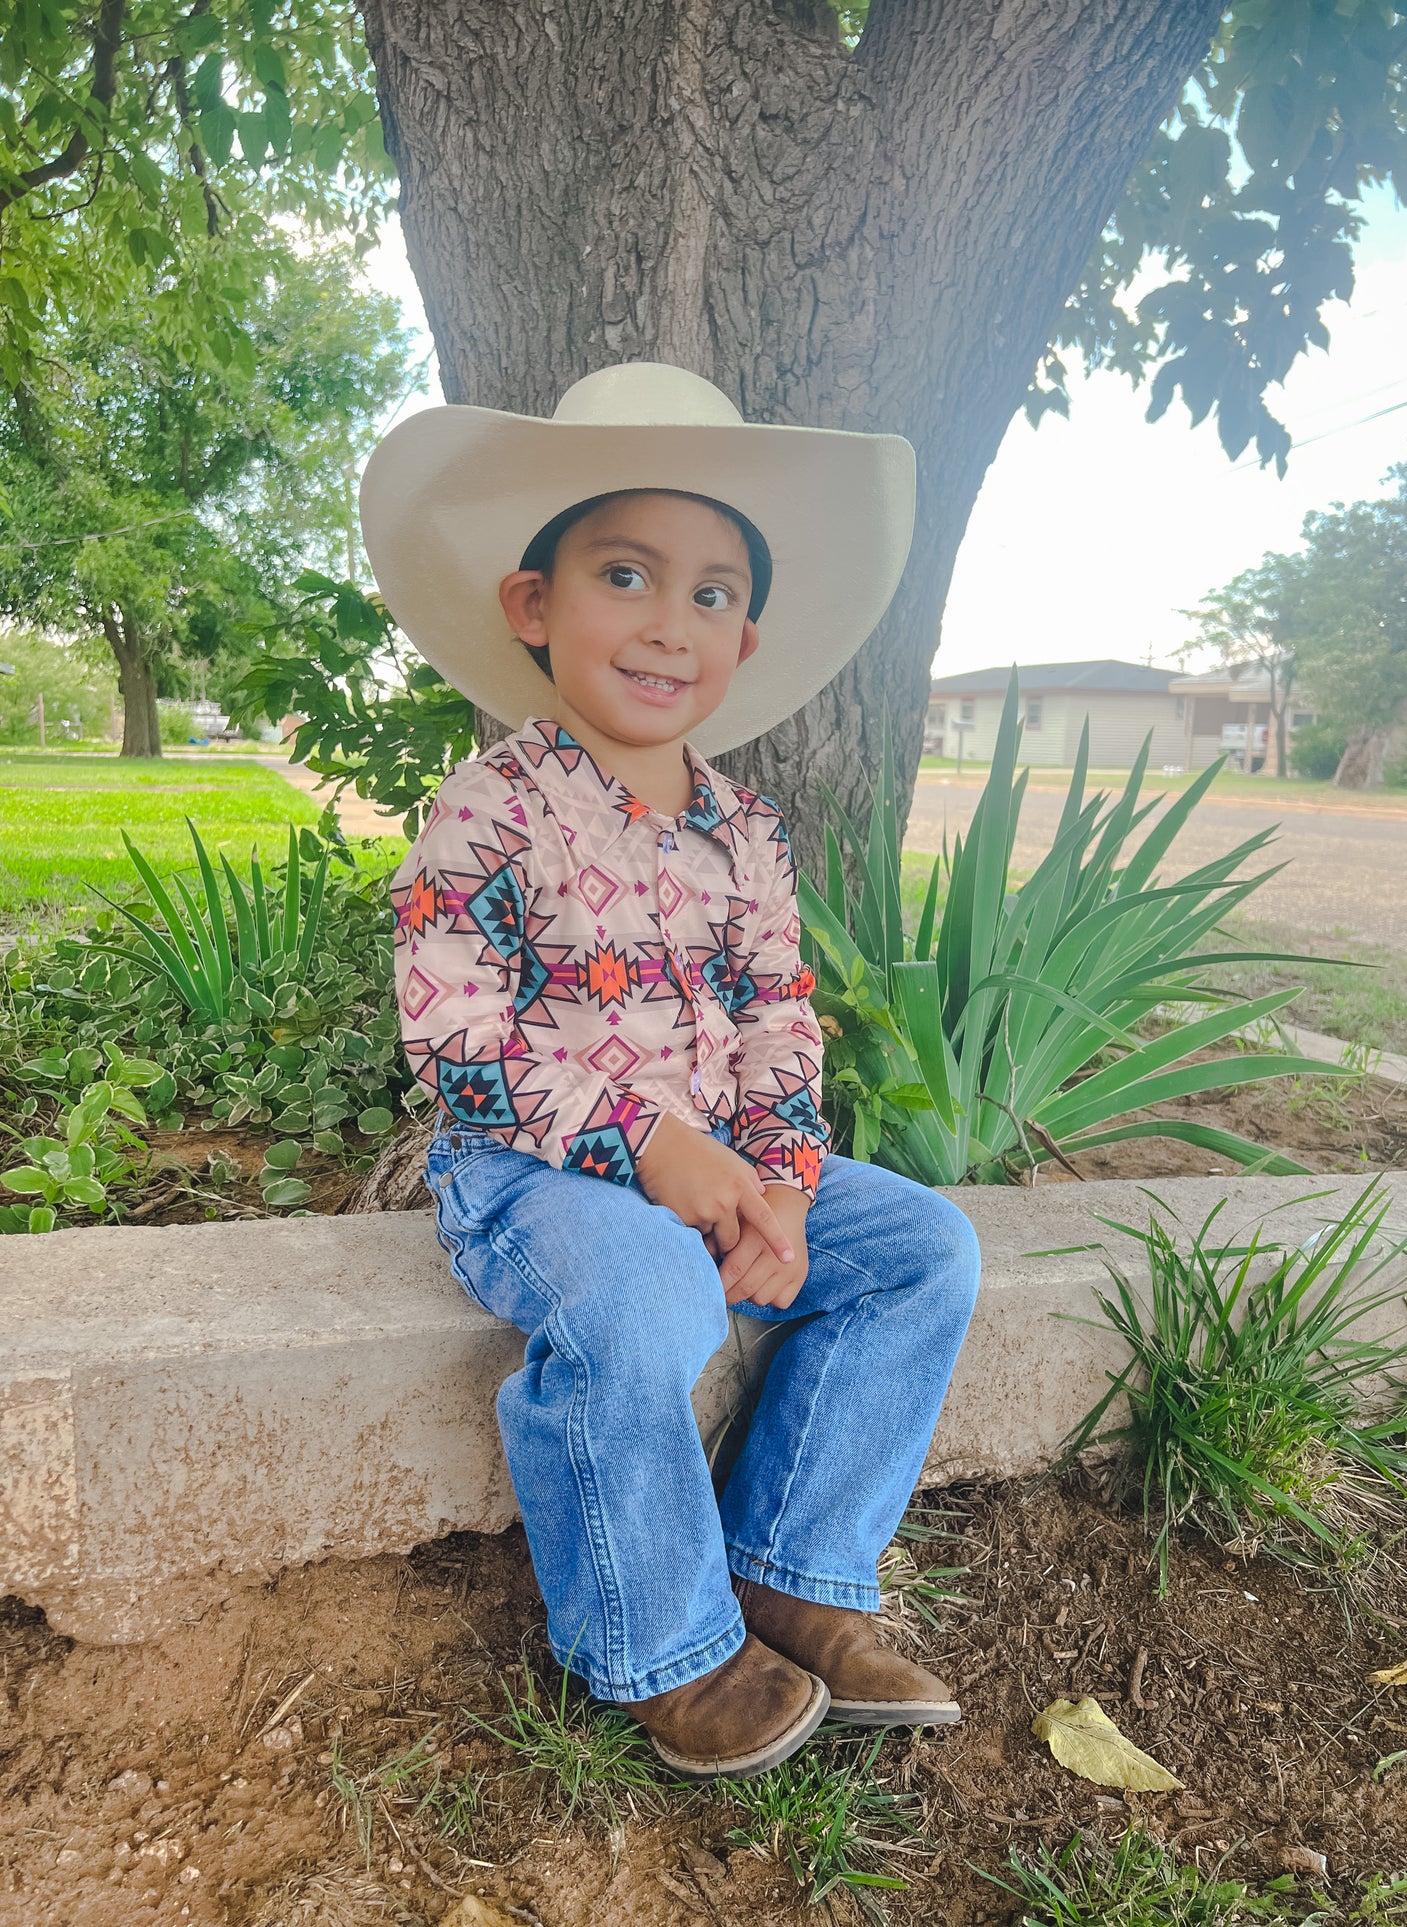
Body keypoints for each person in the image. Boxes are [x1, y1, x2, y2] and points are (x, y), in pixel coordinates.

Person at [359, 363, 981, 1781]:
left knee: (921, 1251)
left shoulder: (745, 831)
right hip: (525, 1173)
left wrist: (779, 1184)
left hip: (717, 1165)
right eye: (624, 572)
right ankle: (658, 1637)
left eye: (707, 594)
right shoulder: (491, 809)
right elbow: (457, 1031)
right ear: (534, 606)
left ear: (744, 639)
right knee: (638, 1295)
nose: (664, 623)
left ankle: (795, 1566)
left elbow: (776, 1011)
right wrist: (651, 1149)